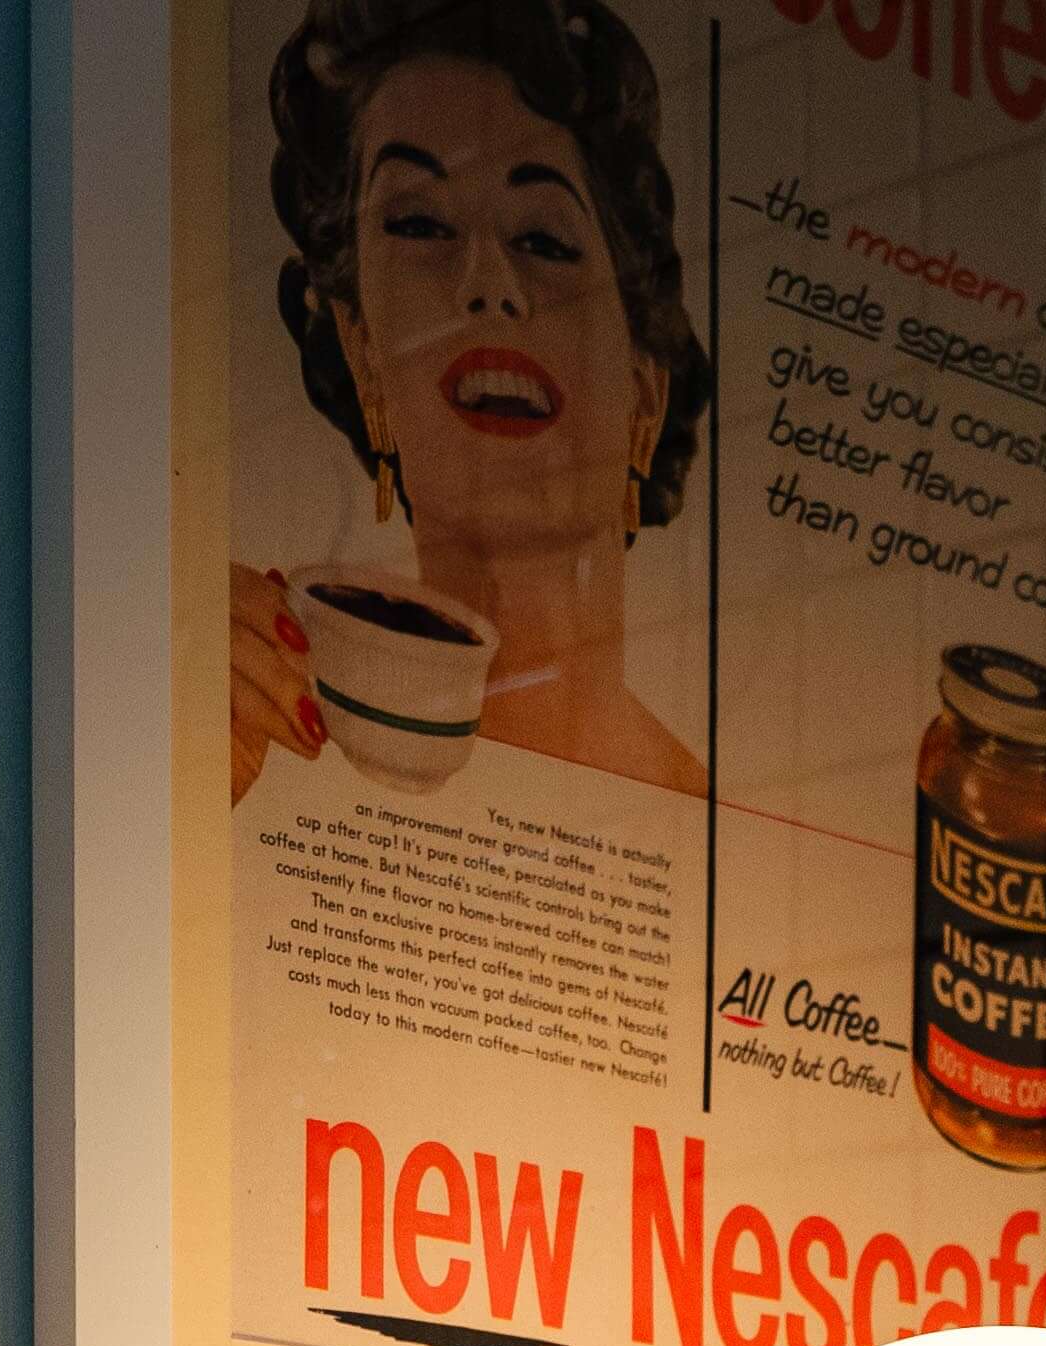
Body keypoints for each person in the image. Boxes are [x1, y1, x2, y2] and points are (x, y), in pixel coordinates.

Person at [235, 0, 711, 805]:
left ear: (644, 385)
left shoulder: (712, 830)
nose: (487, 285)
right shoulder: (259, 746)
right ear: (361, 349)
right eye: (421, 225)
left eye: (544, 240)